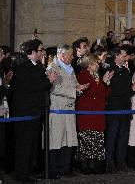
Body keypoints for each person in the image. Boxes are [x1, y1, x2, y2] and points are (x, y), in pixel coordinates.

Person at [11, 39, 56, 182]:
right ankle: (21, 174)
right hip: (24, 112)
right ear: (32, 53)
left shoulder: (37, 66)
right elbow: (32, 86)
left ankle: (30, 170)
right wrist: (48, 81)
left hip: (36, 111)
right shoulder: (21, 66)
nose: (43, 52)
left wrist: (49, 81)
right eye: (41, 50)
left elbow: (43, 85)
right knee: (24, 144)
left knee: (33, 144)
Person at [47, 44, 89, 179]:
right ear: (62, 55)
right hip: (58, 109)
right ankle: (54, 169)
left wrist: (80, 87)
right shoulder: (52, 68)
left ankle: (65, 168)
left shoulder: (70, 68)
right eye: (70, 55)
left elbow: (74, 84)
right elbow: (54, 88)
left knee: (69, 139)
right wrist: (74, 91)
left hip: (70, 109)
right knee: (56, 140)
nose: (73, 57)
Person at [105, 47, 135, 173]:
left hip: (125, 107)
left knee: (123, 137)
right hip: (114, 108)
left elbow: (126, 90)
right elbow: (113, 91)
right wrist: (132, 89)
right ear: (117, 56)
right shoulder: (110, 69)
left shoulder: (125, 70)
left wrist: (134, 88)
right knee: (112, 137)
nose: (126, 58)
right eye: (124, 55)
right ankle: (110, 163)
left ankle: (121, 162)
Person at [76, 53, 113, 174]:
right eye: (95, 63)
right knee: (86, 139)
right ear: (89, 65)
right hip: (88, 113)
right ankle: (84, 164)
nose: (98, 65)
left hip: (98, 112)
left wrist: (106, 82)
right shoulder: (83, 75)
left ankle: (94, 163)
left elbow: (106, 93)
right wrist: (102, 82)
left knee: (97, 140)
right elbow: (92, 91)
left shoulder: (97, 75)